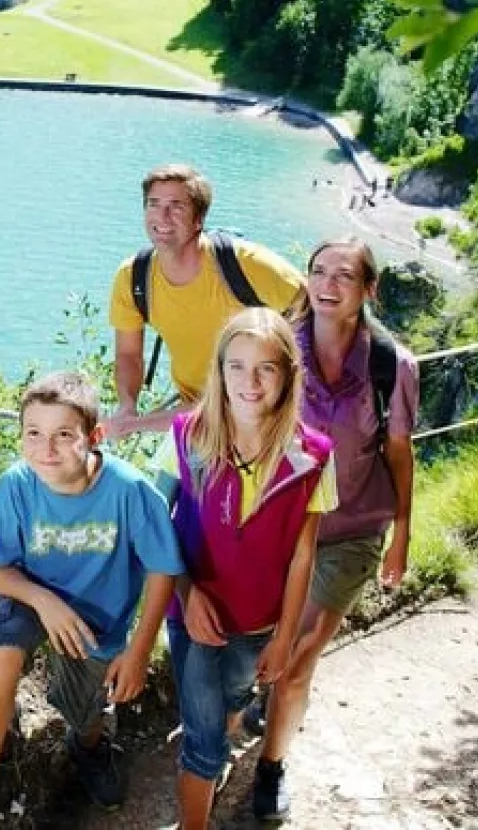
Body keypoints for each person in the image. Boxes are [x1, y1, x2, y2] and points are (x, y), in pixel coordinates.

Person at [0, 371, 184, 829]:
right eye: (34, 434)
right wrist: (44, 601)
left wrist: (140, 650)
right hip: (28, 598)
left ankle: (87, 746)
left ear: (95, 436)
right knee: (4, 652)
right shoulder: (17, 486)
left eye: (63, 435)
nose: (45, 449)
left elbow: (164, 568)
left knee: (86, 715)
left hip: (97, 620)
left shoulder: (128, 491)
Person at [247, 237, 419, 821]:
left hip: (351, 531)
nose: (328, 283)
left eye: (344, 275)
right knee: (263, 645)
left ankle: (270, 771)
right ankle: (258, 712)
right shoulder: (276, 351)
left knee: (298, 656)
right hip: (281, 528)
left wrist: (402, 535)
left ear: (368, 291)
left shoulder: (391, 366)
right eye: (319, 271)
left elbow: (399, 453)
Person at [162, 308, 336, 830]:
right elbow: (157, 526)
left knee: (237, 696)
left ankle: (227, 727)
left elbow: (304, 554)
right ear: (218, 371)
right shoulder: (187, 436)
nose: (249, 382)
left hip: (260, 622)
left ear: (288, 375)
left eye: (265, 368)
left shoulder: (313, 456)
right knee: (205, 744)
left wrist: (285, 636)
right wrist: (187, 593)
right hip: (194, 617)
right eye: (236, 366)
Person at [105, 164, 304, 440]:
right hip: (196, 418)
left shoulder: (245, 264)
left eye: (177, 206)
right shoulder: (133, 277)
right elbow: (128, 355)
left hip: (258, 412)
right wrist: (127, 406)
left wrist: (281, 371)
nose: (162, 216)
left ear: (199, 219)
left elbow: (314, 309)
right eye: (154, 204)